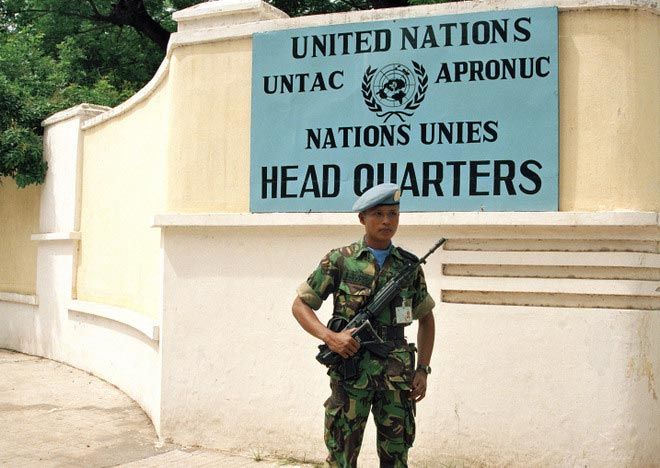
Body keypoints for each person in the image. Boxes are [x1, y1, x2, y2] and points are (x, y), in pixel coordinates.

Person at [291, 183, 436, 468]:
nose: (386, 221)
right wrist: (330, 337)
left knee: (396, 457)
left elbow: (426, 318)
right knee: (342, 456)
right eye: (378, 213)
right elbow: (300, 305)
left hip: (396, 378)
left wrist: (423, 368)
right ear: (362, 219)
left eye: (393, 213)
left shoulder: (408, 266)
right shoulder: (341, 260)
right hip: (351, 373)